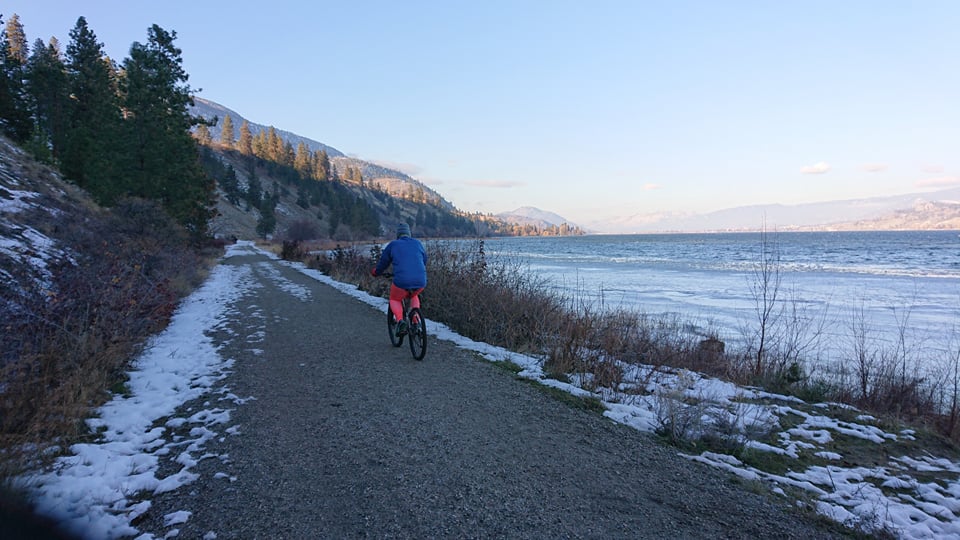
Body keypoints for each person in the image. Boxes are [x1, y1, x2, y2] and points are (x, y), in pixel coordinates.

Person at [371, 223, 427, 335]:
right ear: (409, 234)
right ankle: (415, 320)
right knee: (414, 295)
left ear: (398, 235)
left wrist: (376, 272)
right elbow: (424, 260)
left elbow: (383, 263)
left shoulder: (393, 245)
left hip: (402, 281)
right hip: (421, 280)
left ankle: (400, 321)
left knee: (395, 299)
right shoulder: (418, 243)